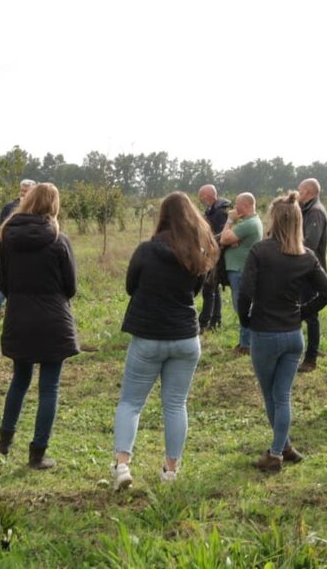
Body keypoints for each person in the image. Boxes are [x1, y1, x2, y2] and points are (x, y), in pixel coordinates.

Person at [108, 192, 220, 490]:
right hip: (185, 337)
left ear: (163, 217)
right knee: (175, 404)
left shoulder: (146, 250)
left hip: (149, 335)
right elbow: (195, 291)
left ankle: (122, 464)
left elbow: (131, 286)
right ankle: (170, 470)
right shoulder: (198, 253)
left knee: (131, 402)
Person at [239, 192, 327, 472]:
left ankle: (275, 454)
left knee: (272, 396)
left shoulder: (260, 251)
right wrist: (301, 313)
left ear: (273, 219)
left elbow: (245, 292)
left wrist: (246, 319)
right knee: (282, 396)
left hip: (265, 333)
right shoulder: (306, 255)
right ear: (297, 222)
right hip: (293, 335)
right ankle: (285, 446)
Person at [0, 183, 78, 470]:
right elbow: (70, 286)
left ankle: (4, 442)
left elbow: (2, 282)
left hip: (19, 317)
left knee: (19, 380)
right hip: (54, 320)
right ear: (54, 205)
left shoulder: (7, 237)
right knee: (49, 387)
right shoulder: (59, 240)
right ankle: (37, 454)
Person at [219, 192, 261, 355]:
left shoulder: (248, 224)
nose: (234, 208)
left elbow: (223, 239)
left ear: (245, 205)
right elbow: (227, 238)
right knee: (242, 307)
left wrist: (230, 221)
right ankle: (245, 342)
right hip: (239, 270)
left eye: (237, 204)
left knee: (242, 308)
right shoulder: (248, 222)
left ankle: (246, 345)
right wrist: (232, 238)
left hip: (240, 270)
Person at [297, 178, 327, 373]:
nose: (298, 193)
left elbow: (311, 243)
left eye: (300, 190)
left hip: (310, 271)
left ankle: (311, 358)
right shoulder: (308, 210)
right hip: (305, 269)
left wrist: (290, 245)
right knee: (304, 311)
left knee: (310, 315)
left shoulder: (315, 211)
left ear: (308, 192)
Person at [0, 179, 36, 316]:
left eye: (26, 191)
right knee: (8, 277)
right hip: (11, 247)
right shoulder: (10, 207)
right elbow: (1, 227)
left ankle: (16, 309)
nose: (23, 193)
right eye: (22, 190)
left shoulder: (35, 207)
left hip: (26, 248)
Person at [196, 184, 232, 331]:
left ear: (209, 195)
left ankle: (204, 322)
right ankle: (215, 321)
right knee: (213, 289)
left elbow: (221, 235)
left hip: (215, 255)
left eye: (202, 195)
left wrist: (208, 244)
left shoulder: (220, 212)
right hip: (211, 253)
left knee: (208, 288)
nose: (200, 199)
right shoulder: (212, 210)